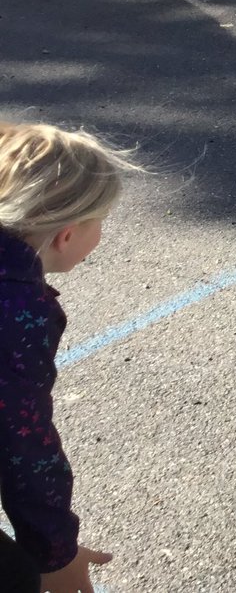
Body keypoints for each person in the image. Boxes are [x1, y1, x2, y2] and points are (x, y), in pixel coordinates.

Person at [0, 122, 138, 593]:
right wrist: (55, 553)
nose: (99, 235)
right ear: (66, 234)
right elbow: (22, 444)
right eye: (100, 222)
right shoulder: (18, 313)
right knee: (16, 576)